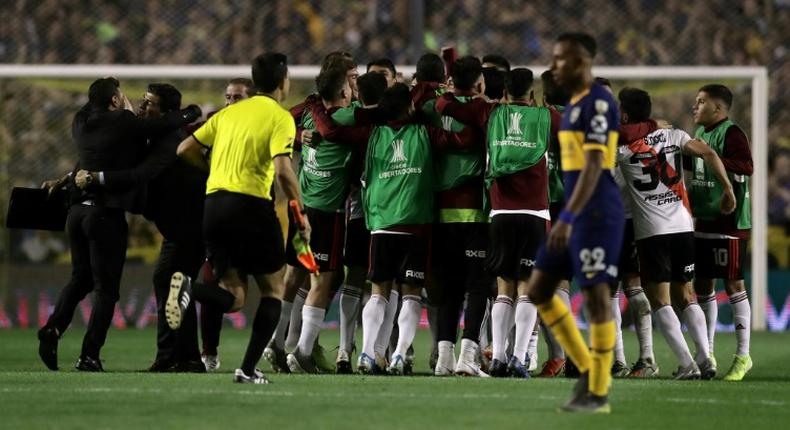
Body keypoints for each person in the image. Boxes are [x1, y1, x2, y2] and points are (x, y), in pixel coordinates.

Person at [311, 83, 477, 375]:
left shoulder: (371, 135)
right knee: (411, 293)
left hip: (381, 224)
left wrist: (314, 108)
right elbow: (464, 139)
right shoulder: (426, 133)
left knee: (378, 292)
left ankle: (365, 353)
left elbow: (333, 133)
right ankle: (399, 354)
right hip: (416, 225)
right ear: (411, 108)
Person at [38, 77, 200, 372]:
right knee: (129, 286)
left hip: (188, 224)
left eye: (149, 103)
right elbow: (107, 155)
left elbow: (138, 172)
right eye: (139, 99)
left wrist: (90, 177)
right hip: (124, 218)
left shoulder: (167, 138)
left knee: (167, 282)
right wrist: (70, 176)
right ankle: (174, 357)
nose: (139, 105)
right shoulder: (133, 129)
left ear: (163, 113)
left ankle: (183, 357)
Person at [175, 52, 308, 384]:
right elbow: (282, 171)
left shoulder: (228, 114)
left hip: (214, 205)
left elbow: (184, 149)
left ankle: (190, 290)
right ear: (283, 82)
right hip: (249, 206)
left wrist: (212, 173)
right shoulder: (280, 117)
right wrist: (300, 212)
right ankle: (247, 369)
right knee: (274, 288)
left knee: (234, 295)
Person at [525, 33, 622, 413]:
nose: (554, 66)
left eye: (560, 58)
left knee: (597, 298)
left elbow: (596, 166)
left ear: (581, 61)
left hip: (596, 213)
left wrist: (567, 216)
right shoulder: (575, 106)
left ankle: (597, 391)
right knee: (538, 289)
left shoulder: (599, 102)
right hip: (574, 213)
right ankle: (587, 369)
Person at [437, 67, 554, 379]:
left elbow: (445, 106)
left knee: (503, 288)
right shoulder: (547, 118)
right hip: (535, 214)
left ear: (503, 93)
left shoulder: (489, 113)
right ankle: (519, 357)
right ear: (532, 94)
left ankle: (499, 356)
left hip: (500, 214)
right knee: (528, 289)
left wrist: (456, 84)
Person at [617, 87, 735, 380]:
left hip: (652, 232)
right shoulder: (676, 135)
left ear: (625, 114)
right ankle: (706, 358)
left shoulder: (621, 151)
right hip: (683, 226)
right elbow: (708, 152)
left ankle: (687, 364)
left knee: (660, 301)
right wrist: (728, 188)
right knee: (687, 293)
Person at [421, 56, 491, 377]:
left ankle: (444, 359)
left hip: (439, 213)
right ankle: (467, 357)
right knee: (477, 287)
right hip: (475, 212)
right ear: (479, 83)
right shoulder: (484, 111)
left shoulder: (431, 108)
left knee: (449, 287)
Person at [285, 66, 356, 374]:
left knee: (294, 277)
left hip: (302, 207)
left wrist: (300, 132)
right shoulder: (346, 116)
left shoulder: (309, 113)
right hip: (328, 213)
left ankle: (277, 343)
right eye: (351, 79)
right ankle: (300, 351)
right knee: (322, 280)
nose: (355, 85)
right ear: (343, 91)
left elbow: (286, 122)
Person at [687, 84, 754, 381]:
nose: (695, 106)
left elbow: (746, 166)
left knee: (734, 284)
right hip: (704, 219)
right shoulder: (700, 135)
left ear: (718, 108)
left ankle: (743, 356)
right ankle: (709, 352)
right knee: (703, 285)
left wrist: (712, 158)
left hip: (730, 222)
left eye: (701, 102)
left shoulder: (731, 133)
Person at [199, 77, 254, 373]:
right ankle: (209, 352)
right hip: (231, 213)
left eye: (238, 98)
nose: (231, 103)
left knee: (270, 290)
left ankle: (283, 347)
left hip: (254, 215)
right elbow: (186, 145)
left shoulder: (258, 125)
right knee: (232, 297)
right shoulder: (216, 123)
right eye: (228, 97)